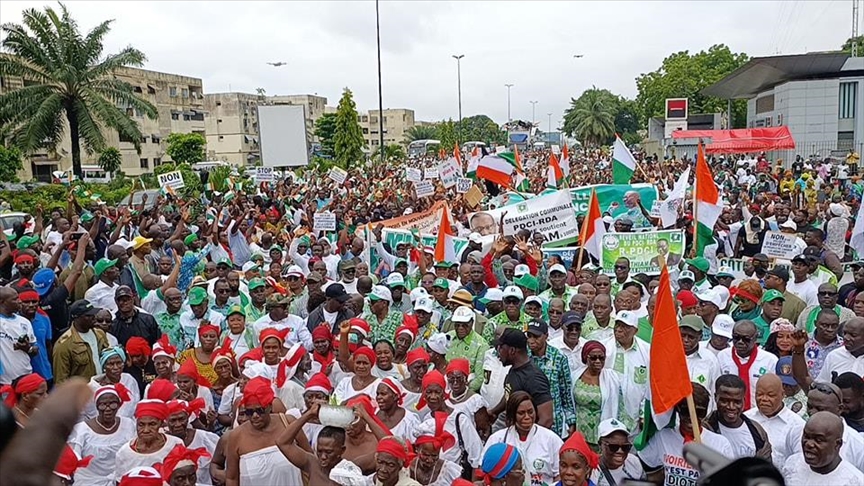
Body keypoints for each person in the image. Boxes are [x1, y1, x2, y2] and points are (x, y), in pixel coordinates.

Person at [638, 383, 734, 485]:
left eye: (700, 412)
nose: (691, 417)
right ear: (678, 410)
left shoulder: (720, 444)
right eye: (685, 411)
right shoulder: (663, 437)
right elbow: (643, 463)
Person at [224, 376, 303, 486]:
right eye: (250, 412)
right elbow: (231, 478)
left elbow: (310, 462)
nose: (255, 416)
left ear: (269, 407)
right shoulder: (236, 436)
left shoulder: (288, 423)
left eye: (260, 410)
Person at [482, 392, 563, 486]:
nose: (527, 417)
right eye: (521, 413)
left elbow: (560, 474)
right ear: (512, 414)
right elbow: (485, 473)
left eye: (530, 412)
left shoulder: (551, 439)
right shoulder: (497, 439)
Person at [412, 370, 483, 470]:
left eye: (437, 392)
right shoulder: (427, 418)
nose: (433, 397)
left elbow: (476, 453)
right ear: (424, 395)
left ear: (444, 393)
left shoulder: (459, 419)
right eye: (429, 392)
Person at [68, 384, 137, 486]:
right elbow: (73, 458)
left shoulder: (128, 424)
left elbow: (134, 452)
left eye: (112, 404)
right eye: (103, 404)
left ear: (119, 405)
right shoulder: (81, 429)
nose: (108, 408)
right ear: (97, 406)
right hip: (88, 482)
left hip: (121, 479)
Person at [487, 328, 554, 430]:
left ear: (512, 350)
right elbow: (509, 395)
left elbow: (547, 419)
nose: (498, 351)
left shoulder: (533, 377)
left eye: (500, 347)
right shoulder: (514, 369)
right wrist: (494, 411)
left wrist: (526, 441)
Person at [526, 318, 576, 438]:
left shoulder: (559, 358)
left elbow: (566, 392)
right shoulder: (524, 357)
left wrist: (571, 421)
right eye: (529, 336)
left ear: (546, 336)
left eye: (536, 337)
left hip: (554, 421)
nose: (532, 341)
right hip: (528, 419)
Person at [782, 412, 864, 485]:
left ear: (837, 444)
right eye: (806, 437)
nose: (809, 444)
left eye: (818, 440)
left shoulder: (854, 481)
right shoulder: (792, 464)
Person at [276, 401, 347, 486]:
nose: (323, 457)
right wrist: (309, 414)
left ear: (342, 450)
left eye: (328, 452)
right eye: (320, 451)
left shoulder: (348, 473)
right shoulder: (312, 464)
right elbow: (282, 443)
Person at [703, 374, 772, 460]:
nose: (731, 407)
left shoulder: (757, 431)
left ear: (744, 400)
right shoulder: (703, 430)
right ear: (715, 398)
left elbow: (765, 468)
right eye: (725, 401)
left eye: (737, 402)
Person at [113, 400, 185, 482]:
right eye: (141, 425)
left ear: (161, 424)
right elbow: (120, 482)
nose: (146, 430)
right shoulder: (124, 453)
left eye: (152, 424)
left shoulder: (175, 444)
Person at [744, 374, 806, 466]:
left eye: (770, 395)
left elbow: (799, 461)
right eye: (760, 394)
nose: (764, 399)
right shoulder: (746, 418)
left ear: (782, 395)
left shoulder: (797, 425)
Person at [716, 320, 778, 410]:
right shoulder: (722, 356)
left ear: (755, 338)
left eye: (746, 339)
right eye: (736, 338)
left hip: (758, 413)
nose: (740, 342)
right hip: (729, 411)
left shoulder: (770, 360)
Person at [573, 340, 621, 446]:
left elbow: (619, 406)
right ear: (586, 357)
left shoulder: (612, 378)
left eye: (601, 358)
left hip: (602, 431)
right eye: (594, 358)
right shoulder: (575, 376)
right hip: (579, 431)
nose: (598, 361)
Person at [165, 399, 219, 484]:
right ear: (166, 421)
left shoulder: (206, 438)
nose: (178, 424)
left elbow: (221, 464)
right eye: (173, 420)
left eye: (181, 419)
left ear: (188, 418)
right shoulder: (162, 444)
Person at [411, 411, 465, 486]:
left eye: (434, 456)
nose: (430, 460)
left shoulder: (449, 472)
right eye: (425, 455)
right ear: (417, 448)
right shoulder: (407, 469)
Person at [444, 306, 489, 393]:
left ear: (471, 323)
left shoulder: (481, 345)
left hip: (465, 390)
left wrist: (461, 391)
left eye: (464, 324)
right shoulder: (448, 337)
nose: (460, 328)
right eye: (457, 324)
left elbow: (479, 378)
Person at [0, 287, 37, 386]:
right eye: (15, 299)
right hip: (4, 383)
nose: (19, 301)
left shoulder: (24, 322)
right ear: (2, 302)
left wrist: (27, 348)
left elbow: (35, 349)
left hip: (25, 378)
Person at [591, 418, 645, 486]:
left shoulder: (634, 462)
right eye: (613, 447)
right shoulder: (593, 472)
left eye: (625, 447)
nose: (620, 451)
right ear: (600, 445)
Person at [679, 315, 721, 398]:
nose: (686, 340)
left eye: (691, 337)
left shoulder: (710, 359)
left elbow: (714, 391)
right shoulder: (668, 356)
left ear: (700, 337)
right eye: (683, 335)